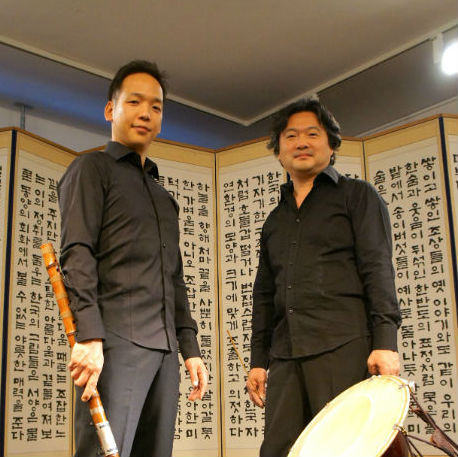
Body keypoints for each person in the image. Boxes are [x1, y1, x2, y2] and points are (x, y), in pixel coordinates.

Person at [58, 60, 208, 457]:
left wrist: (190, 348)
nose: (146, 113)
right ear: (111, 109)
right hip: (116, 343)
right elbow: (77, 252)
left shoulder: (164, 198)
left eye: (156, 107)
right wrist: (89, 336)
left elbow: (174, 279)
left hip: (165, 351)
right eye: (135, 102)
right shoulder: (91, 169)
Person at [246, 98, 401, 457]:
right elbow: (264, 295)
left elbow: (378, 268)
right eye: (291, 136)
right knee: (279, 450)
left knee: (343, 448)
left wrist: (386, 342)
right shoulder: (274, 220)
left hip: (343, 347)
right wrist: (258, 360)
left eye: (312, 134)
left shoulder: (357, 196)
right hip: (285, 355)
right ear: (279, 152)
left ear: (332, 145)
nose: (301, 142)